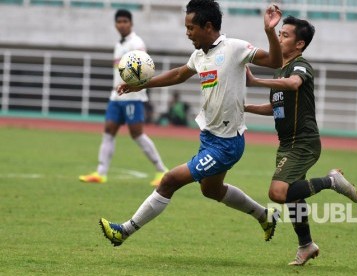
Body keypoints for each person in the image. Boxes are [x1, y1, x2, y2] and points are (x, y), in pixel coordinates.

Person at [99, 0, 283, 248]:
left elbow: (274, 61)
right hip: (209, 138)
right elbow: (178, 74)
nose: (187, 33)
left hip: (226, 145)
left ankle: (125, 231)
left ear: (208, 26)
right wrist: (140, 84)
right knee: (211, 191)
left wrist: (270, 31)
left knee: (169, 180)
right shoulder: (199, 55)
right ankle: (265, 216)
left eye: (190, 28)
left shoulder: (235, 48)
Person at [244, 16, 357, 266]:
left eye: (285, 35)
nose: (279, 38)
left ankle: (331, 181)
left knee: (278, 192)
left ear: (299, 44)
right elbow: (276, 107)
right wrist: (244, 107)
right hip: (287, 143)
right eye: (279, 33)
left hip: (303, 142)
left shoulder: (301, 66)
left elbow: (294, 85)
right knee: (293, 197)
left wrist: (254, 81)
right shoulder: (281, 70)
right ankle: (306, 245)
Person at [79, 9, 168, 186]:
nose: (122, 24)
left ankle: (162, 171)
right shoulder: (118, 45)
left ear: (131, 23)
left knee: (137, 134)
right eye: (119, 21)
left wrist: (136, 87)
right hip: (116, 96)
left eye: (125, 21)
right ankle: (101, 173)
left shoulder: (136, 43)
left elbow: (145, 68)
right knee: (108, 131)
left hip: (132, 97)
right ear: (115, 24)